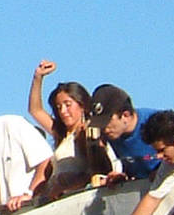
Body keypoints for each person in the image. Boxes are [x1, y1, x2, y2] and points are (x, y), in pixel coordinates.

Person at [26, 64, 119, 197]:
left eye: (68, 105)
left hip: (78, 196)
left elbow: (95, 170)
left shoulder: (87, 132)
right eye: (59, 107)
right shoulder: (62, 134)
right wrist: (38, 77)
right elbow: (35, 110)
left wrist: (66, 186)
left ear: (82, 105)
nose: (63, 111)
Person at [87, 85, 163, 181]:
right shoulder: (113, 135)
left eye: (106, 123)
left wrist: (162, 171)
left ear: (125, 115)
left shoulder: (157, 123)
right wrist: (122, 177)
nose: (104, 130)